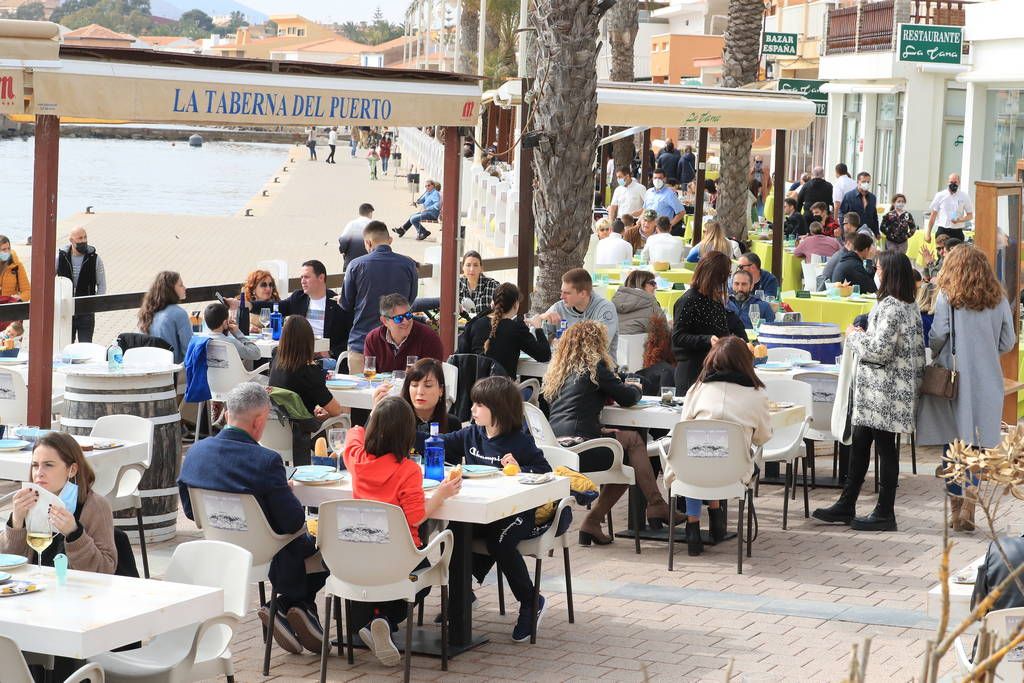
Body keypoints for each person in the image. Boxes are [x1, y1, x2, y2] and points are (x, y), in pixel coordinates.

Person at [178, 383, 327, 654]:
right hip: (267, 550)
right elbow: (293, 522)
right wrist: (286, 493)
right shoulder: (266, 461)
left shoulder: (195, 454)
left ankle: (294, 608)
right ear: (259, 421)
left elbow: (190, 512)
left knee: (290, 541)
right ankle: (290, 605)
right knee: (321, 544)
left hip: (219, 543)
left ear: (226, 414)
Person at [342, 396, 461, 664]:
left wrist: (373, 414)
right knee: (423, 580)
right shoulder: (408, 470)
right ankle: (386, 619)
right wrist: (441, 494)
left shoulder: (358, 461)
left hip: (361, 553)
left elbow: (353, 434)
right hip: (402, 558)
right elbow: (416, 516)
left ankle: (376, 619)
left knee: (375, 581)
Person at [813, 252, 924, 531]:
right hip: (885, 393)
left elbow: (879, 351)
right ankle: (847, 503)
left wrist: (854, 335)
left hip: (883, 393)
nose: (875, 271)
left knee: (884, 449)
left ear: (889, 273)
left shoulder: (891, 306)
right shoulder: (909, 306)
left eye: (878, 268)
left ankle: (885, 512)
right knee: (861, 443)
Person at [542, 320, 680, 542]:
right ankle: (653, 505)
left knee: (627, 450)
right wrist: (635, 388)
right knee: (630, 451)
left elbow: (569, 411)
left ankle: (597, 522)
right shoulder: (594, 367)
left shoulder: (557, 374)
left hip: (557, 450)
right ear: (595, 344)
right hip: (581, 449)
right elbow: (626, 397)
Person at [438, 376, 552, 642]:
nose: (472, 409)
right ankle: (461, 597)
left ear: (498, 409)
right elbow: (439, 442)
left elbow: (545, 471)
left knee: (499, 543)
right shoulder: (471, 433)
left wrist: (522, 469)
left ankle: (530, 601)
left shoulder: (520, 441)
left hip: (518, 512)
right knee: (454, 532)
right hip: (483, 510)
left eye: (479, 404)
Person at [916, 246, 1015, 531]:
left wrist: (935, 353)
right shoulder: (998, 299)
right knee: (977, 444)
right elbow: (1007, 342)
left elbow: (938, 335)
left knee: (952, 443)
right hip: (987, 379)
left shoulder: (948, 297)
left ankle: (956, 507)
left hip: (954, 379)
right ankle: (971, 503)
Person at [673, 337, 771, 556]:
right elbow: (762, 438)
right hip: (733, 473)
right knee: (717, 452)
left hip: (693, 470)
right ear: (745, 361)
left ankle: (692, 527)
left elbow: (684, 427)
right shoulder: (757, 394)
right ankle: (717, 522)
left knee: (700, 449)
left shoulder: (697, 390)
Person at [4, 431, 115, 573]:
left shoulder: (95, 506)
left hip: (76, 591)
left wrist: (75, 534)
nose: (39, 473)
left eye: (48, 465)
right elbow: (7, 564)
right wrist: (16, 522)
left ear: (72, 470)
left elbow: (106, 569)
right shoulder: (27, 503)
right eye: (35, 465)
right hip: (32, 587)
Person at [342, 222, 418, 373]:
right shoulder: (408, 264)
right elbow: (410, 299)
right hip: (398, 345)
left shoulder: (355, 265)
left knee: (361, 393)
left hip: (361, 342)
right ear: (389, 240)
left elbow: (346, 304)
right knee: (395, 394)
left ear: (368, 242)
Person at [672, 251, 747, 394]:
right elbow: (678, 337)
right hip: (692, 371)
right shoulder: (688, 301)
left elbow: (724, 329)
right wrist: (707, 339)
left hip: (713, 369)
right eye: (725, 276)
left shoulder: (715, 300)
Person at [458, 283, 550, 377]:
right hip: (503, 389)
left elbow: (461, 353)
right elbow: (544, 355)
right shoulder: (516, 328)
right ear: (516, 304)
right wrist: (538, 328)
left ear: (493, 303)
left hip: (474, 388)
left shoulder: (475, 324)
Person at [529, 268, 619, 354]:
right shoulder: (559, 307)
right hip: (563, 367)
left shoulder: (605, 308)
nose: (562, 297)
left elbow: (598, 346)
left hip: (598, 368)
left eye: (567, 293)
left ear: (583, 293)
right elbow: (532, 339)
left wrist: (562, 344)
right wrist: (541, 319)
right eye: (561, 292)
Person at [269, 315, 343, 420]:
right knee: (342, 417)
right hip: (302, 428)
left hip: (278, 424)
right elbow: (336, 410)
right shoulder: (309, 373)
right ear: (309, 341)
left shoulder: (276, 357)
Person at [390, 357, 461, 453]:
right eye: (414, 385)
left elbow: (454, 465)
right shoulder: (395, 420)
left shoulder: (452, 423)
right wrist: (375, 414)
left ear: (441, 390)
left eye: (428, 386)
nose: (420, 392)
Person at [285, 259, 350, 363]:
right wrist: (251, 305)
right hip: (301, 355)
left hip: (326, 358)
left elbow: (351, 336)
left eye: (306, 277)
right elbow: (277, 306)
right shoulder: (298, 298)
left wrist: (331, 352)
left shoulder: (337, 302)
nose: (302, 281)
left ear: (321, 277)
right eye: (301, 277)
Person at [362, 293, 444, 372]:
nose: (405, 321)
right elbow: (371, 378)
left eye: (408, 315)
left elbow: (433, 376)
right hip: (383, 386)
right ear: (384, 321)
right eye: (399, 318)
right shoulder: (373, 339)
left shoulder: (429, 338)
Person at [56, 227, 106, 342]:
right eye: (80, 238)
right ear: (71, 241)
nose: (83, 241)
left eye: (85, 237)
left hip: (86, 311)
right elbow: (49, 281)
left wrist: (94, 305)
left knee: (86, 346)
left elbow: (102, 285)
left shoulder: (95, 259)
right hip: (65, 310)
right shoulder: (61, 258)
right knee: (66, 346)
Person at [139, 270, 191, 364]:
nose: (185, 288)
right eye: (181, 285)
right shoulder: (179, 314)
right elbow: (189, 350)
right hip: (174, 371)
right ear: (170, 289)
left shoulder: (148, 311)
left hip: (152, 369)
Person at [612, 270, 664, 335]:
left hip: (617, 344)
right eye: (653, 283)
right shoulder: (652, 305)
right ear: (640, 284)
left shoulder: (612, 305)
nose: (656, 287)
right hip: (641, 344)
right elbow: (664, 332)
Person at [926, 172, 974, 242]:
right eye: (951, 182)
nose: (953, 184)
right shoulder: (940, 195)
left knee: (957, 253)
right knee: (941, 252)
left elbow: (970, 216)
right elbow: (933, 215)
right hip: (943, 230)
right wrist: (928, 233)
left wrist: (959, 220)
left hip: (957, 231)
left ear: (959, 183)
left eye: (955, 182)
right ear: (948, 182)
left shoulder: (964, 196)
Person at [240, 269, 286, 333]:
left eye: (270, 285)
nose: (268, 288)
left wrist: (259, 331)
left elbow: (279, 331)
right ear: (253, 289)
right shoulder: (244, 304)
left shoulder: (277, 307)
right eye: (263, 285)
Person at [839, 171, 879, 237]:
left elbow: (874, 216)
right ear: (858, 182)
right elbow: (842, 214)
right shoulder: (849, 196)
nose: (866, 184)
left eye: (868, 182)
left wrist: (876, 232)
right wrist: (843, 230)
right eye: (863, 182)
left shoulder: (872, 198)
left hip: (868, 233)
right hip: (852, 232)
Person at [338, 203, 374, 271]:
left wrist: (343, 251)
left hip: (351, 262)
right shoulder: (374, 225)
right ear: (370, 213)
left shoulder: (351, 224)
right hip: (370, 263)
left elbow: (343, 241)